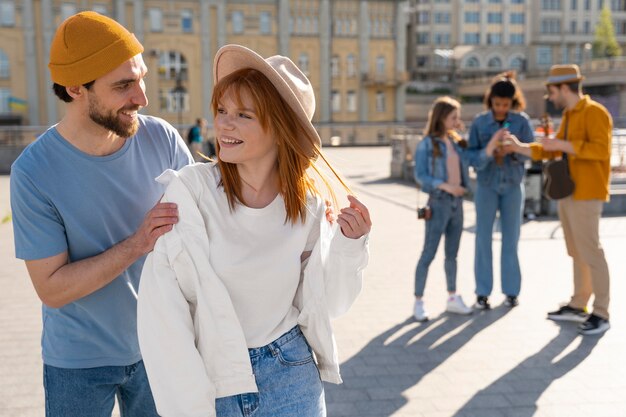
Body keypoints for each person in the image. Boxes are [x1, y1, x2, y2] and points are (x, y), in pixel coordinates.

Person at [136, 44, 371, 417]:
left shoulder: (308, 206)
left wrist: (350, 246)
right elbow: (162, 312)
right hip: (215, 382)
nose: (224, 124)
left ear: (281, 128)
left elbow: (330, 304)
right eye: (222, 110)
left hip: (292, 373)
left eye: (243, 114)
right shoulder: (191, 191)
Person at [9, 12, 193, 416]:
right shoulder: (33, 173)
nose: (142, 98)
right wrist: (138, 244)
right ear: (76, 87)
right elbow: (52, 289)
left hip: (160, 346)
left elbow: (206, 227)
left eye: (141, 78)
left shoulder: (161, 137)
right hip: (77, 363)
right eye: (124, 85)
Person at [504, 64, 612, 335]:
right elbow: (552, 151)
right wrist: (519, 147)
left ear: (564, 88)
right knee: (577, 252)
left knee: (591, 252)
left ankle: (601, 312)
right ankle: (579, 304)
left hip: (588, 192)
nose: (550, 98)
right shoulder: (569, 115)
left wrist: (562, 145)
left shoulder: (595, 113)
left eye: (551, 92)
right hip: (570, 192)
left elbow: (601, 151)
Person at [465, 71, 534, 310]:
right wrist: (490, 149)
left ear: (513, 102)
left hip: (513, 187)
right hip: (486, 186)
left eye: (506, 104)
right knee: (483, 238)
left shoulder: (522, 122)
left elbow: (532, 152)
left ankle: (512, 291)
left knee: (511, 238)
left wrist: (514, 149)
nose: (501, 109)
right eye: (497, 104)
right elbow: (470, 157)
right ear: (490, 100)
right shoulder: (479, 122)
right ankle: (482, 292)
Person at [412, 96, 472, 322]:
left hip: (457, 204)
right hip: (438, 203)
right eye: (454, 117)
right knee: (428, 253)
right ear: (441, 117)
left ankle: (452, 297)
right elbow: (420, 175)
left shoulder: (456, 142)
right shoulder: (427, 144)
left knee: (452, 255)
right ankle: (418, 301)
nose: (458, 121)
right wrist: (445, 186)